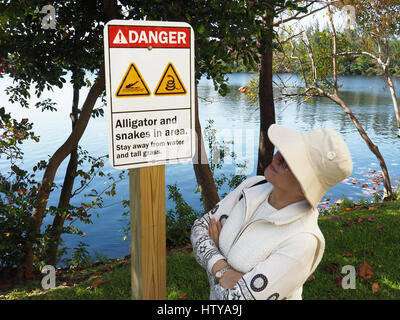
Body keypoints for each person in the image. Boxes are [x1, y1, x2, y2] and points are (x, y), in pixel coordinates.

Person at [190, 124, 353, 300]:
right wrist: (223, 270)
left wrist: (213, 257)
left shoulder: (303, 240)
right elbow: (198, 229)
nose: (277, 158)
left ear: (306, 184)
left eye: (290, 161)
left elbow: (235, 299)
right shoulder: (253, 185)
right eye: (285, 150)